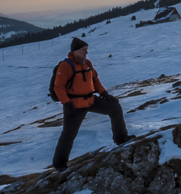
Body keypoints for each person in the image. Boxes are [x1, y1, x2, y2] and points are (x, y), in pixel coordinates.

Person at [51, 37, 129, 170]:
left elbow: (95, 80)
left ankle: (121, 138)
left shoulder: (87, 63)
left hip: (91, 100)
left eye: (87, 50)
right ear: (75, 51)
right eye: (84, 50)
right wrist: (67, 103)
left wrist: (104, 94)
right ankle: (59, 164)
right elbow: (58, 87)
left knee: (115, 108)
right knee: (68, 134)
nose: (86, 53)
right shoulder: (65, 66)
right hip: (74, 105)